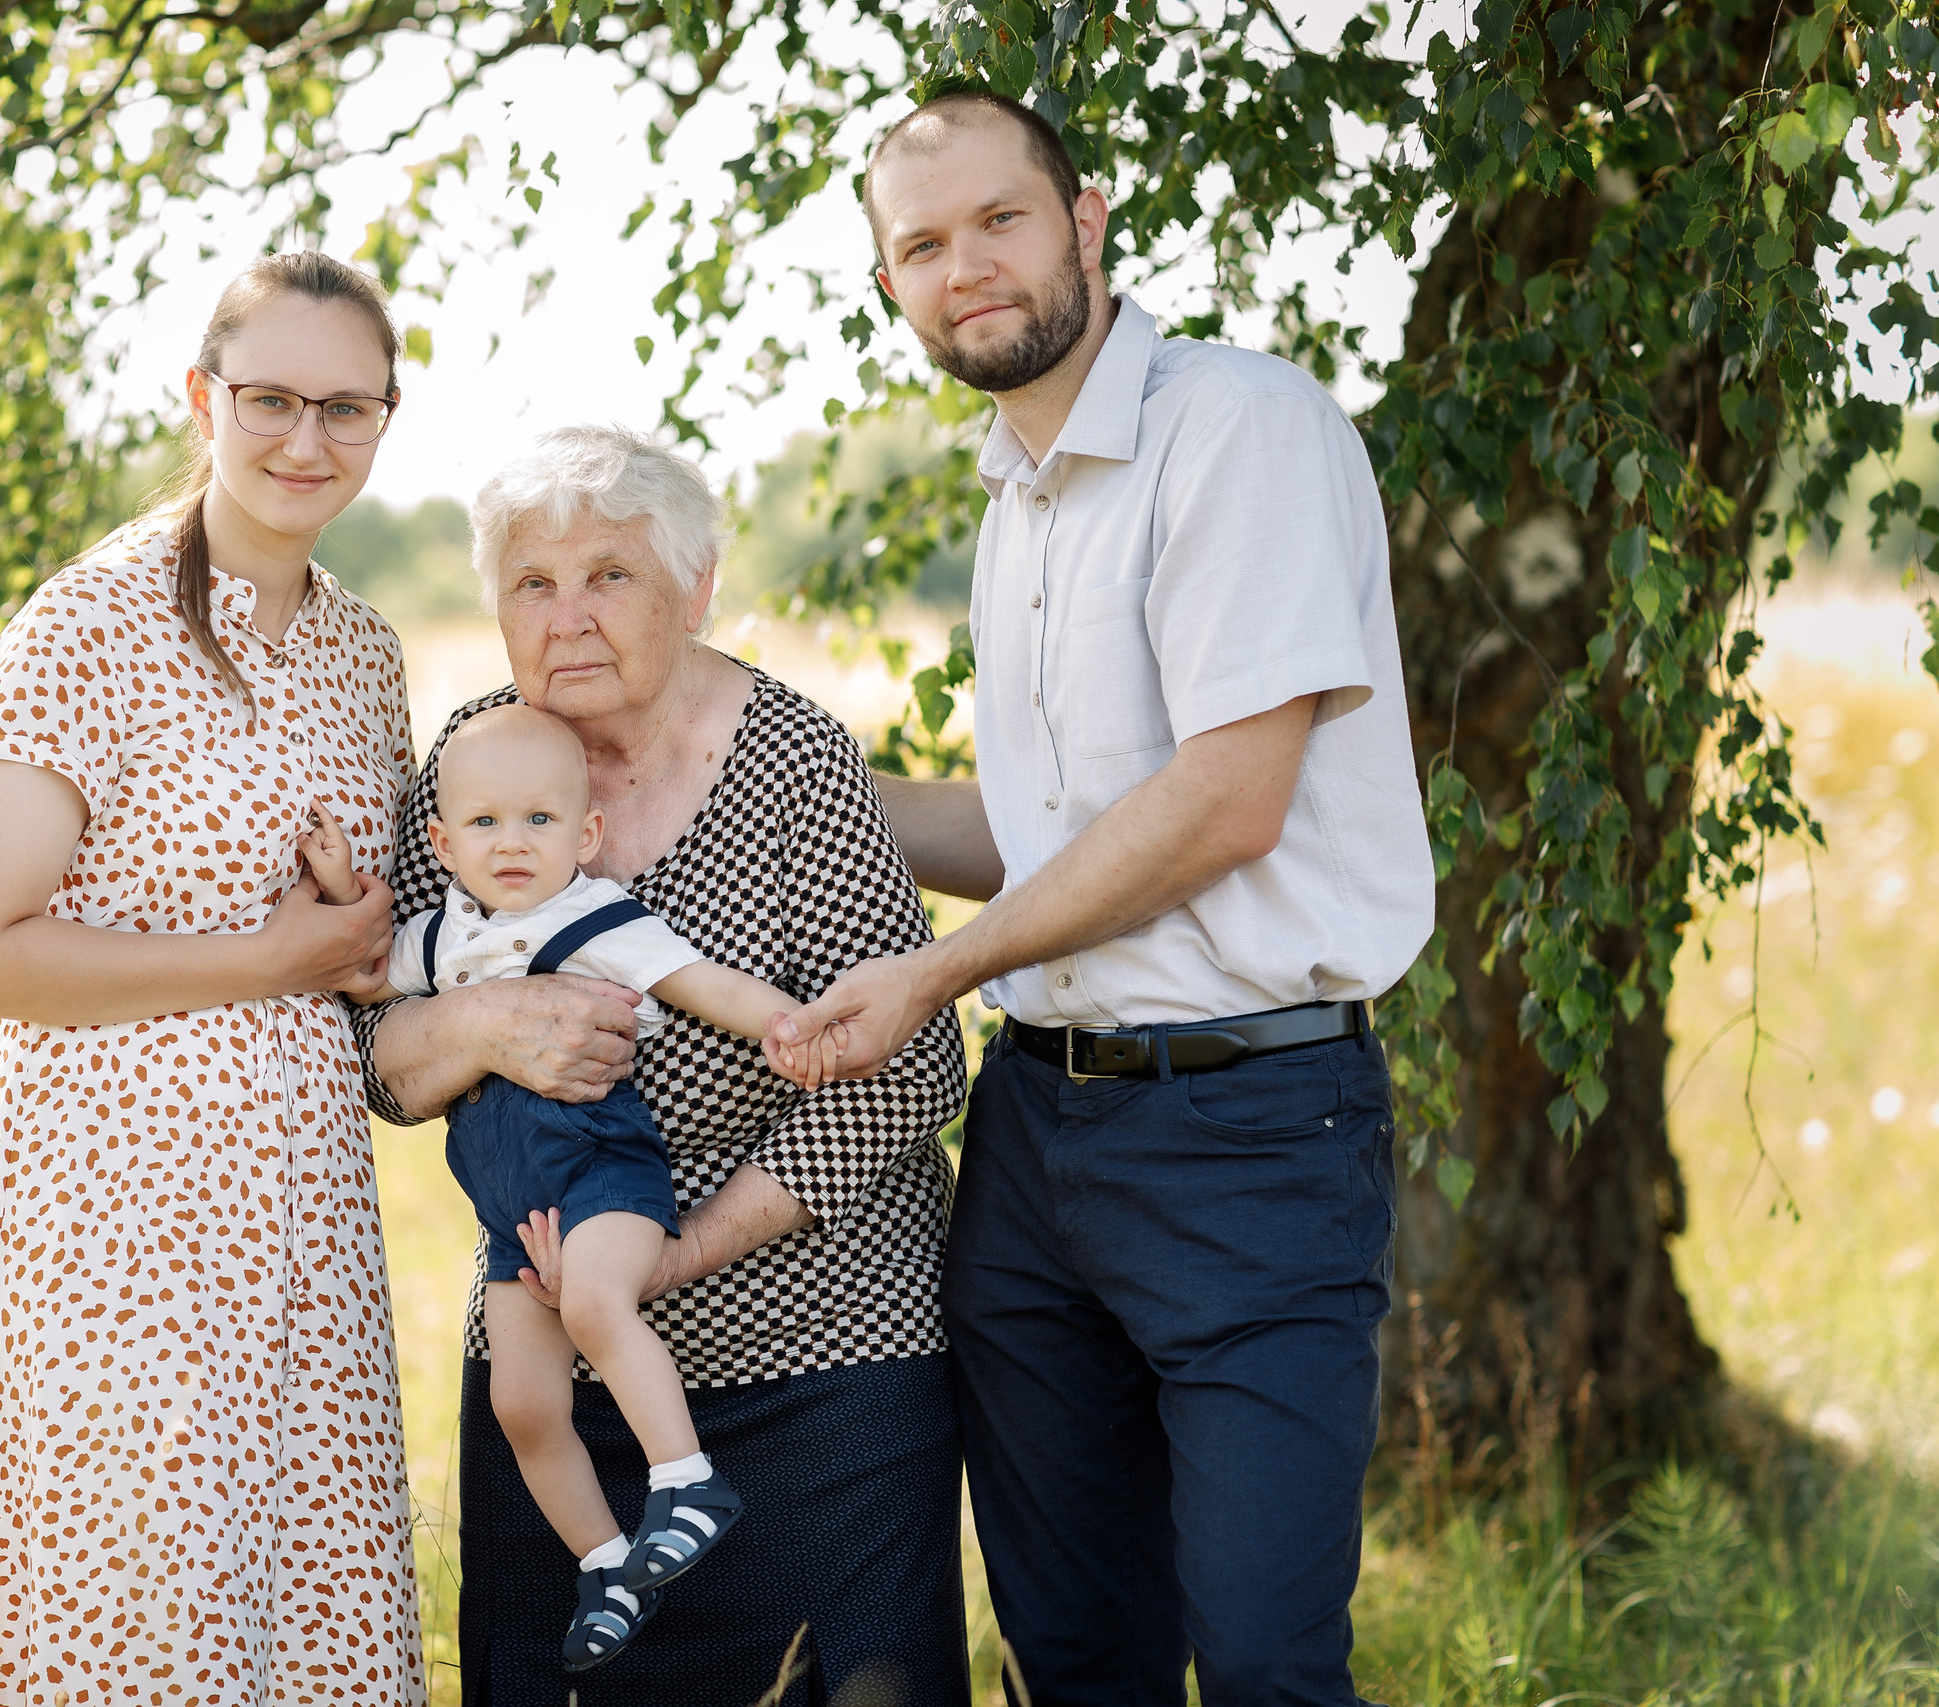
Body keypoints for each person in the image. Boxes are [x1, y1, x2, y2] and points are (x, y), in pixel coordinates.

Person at [773, 92, 1437, 1705]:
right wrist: (747, 772)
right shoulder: (1019, 497)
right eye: (921, 245)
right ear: (890, 291)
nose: (966, 267)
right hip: (1037, 1143)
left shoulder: (1242, 429)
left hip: (1254, 1131)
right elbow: (1049, 833)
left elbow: (1224, 801)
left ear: (1087, 218)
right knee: (1074, 1653)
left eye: (999, 219)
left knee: (1269, 1655)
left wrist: (935, 976)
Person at [352, 424, 972, 1704]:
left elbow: (909, 1074)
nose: (568, 617)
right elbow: (381, 1055)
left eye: (611, 577)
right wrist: (481, 1027)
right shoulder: (478, 763)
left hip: (823, 1349)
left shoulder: (795, 761)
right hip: (552, 1351)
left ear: (694, 592)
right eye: (534, 582)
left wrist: (675, 1256)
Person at [0, 252, 427, 1705]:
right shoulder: (87, 627)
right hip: (114, 1225)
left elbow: (357, 949)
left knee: (301, 1608)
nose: (303, 439)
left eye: (347, 407)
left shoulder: (363, 652)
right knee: (140, 1616)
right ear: (204, 398)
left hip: (304, 1220)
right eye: (268, 398)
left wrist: (362, 936)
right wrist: (271, 953)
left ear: (387, 419)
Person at [302, 707, 837, 1672]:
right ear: (443, 843)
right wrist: (343, 887)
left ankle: (686, 1481)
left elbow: (697, 979)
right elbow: (371, 975)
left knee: (595, 1302)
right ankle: (609, 1561)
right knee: (523, 1401)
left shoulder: (594, 915)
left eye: (542, 821)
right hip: (515, 1214)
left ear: (585, 836)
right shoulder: (444, 936)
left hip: (604, 1174)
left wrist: (787, 1023)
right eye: (487, 824)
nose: (513, 844)